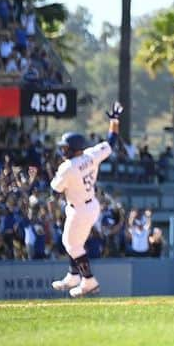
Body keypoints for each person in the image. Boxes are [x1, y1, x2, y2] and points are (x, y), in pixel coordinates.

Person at [49, 102, 122, 297]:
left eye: (65, 147)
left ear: (72, 149)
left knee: (72, 245)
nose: (63, 150)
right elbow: (111, 141)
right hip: (90, 205)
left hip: (80, 208)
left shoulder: (68, 167)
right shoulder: (91, 155)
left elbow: (55, 189)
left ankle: (88, 281)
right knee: (73, 243)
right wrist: (114, 120)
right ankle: (74, 275)